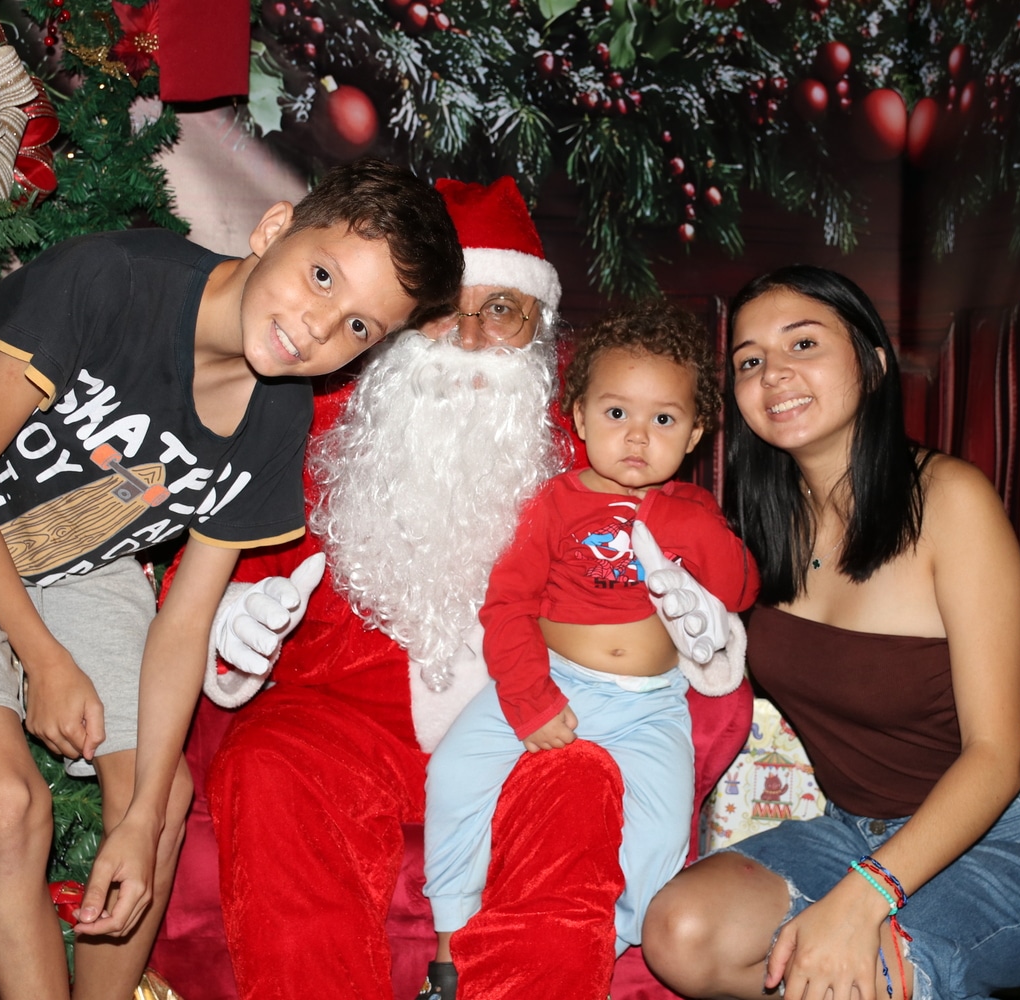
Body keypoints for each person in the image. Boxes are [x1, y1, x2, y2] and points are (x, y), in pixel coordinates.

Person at [0, 159, 462, 1000]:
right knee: (5, 800)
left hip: (87, 550)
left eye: (358, 326)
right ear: (273, 230)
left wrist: (139, 821)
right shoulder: (113, 280)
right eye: (322, 276)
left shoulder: (275, 417)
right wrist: (44, 657)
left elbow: (184, 621)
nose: (318, 326)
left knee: (162, 795)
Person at [154, 177, 752, 1000]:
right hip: (344, 721)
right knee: (268, 765)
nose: (469, 338)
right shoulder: (314, 429)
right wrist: (237, 629)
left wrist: (701, 631)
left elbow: (687, 567)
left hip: (538, 715)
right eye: (443, 311)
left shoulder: (598, 439)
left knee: (580, 783)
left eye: (501, 310)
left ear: (540, 328)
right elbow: (214, 578)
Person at [640, 265, 1020, 1000]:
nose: (773, 373)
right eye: (750, 361)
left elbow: (999, 756)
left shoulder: (951, 501)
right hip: (853, 828)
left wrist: (864, 898)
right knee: (681, 931)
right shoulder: (754, 528)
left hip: (1006, 841)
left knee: (856, 977)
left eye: (803, 344)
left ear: (873, 363)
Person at [417, 303, 760, 1000]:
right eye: (616, 412)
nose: (637, 436)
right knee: (453, 773)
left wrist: (683, 522)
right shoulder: (553, 504)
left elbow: (738, 589)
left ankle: (603, 946)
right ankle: (451, 944)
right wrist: (528, 699)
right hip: (554, 679)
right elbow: (507, 605)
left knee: (663, 836)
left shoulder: (692, 511)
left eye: (664, 420)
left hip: (649, 706)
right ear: (578, 416)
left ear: (695, 433)